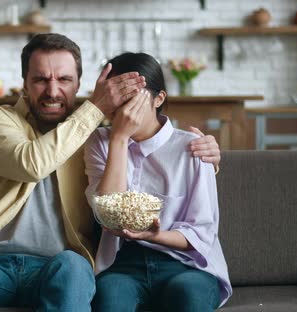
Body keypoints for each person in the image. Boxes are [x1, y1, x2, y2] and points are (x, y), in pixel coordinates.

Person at [0, 34, 222, 312]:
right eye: (40, 79)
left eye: (64, 79)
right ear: (24, 83)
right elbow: (32, 162)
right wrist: (94, 108)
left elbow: (143, 146)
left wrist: (205, 154)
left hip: (58, 266)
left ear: (78, 85)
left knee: (74, 267)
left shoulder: (96, 139)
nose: (52, 90)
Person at [84, 52, 231, 312]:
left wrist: (156, 235)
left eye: (132, 99)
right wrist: (119, 138)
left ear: (159, 98)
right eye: (117, 100)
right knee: (111, 299)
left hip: (186, 264)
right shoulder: (100, 142)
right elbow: (109, 214)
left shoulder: (192, 148)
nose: (123, 111)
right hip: (124, 264)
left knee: (188, 295)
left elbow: (202, 231)